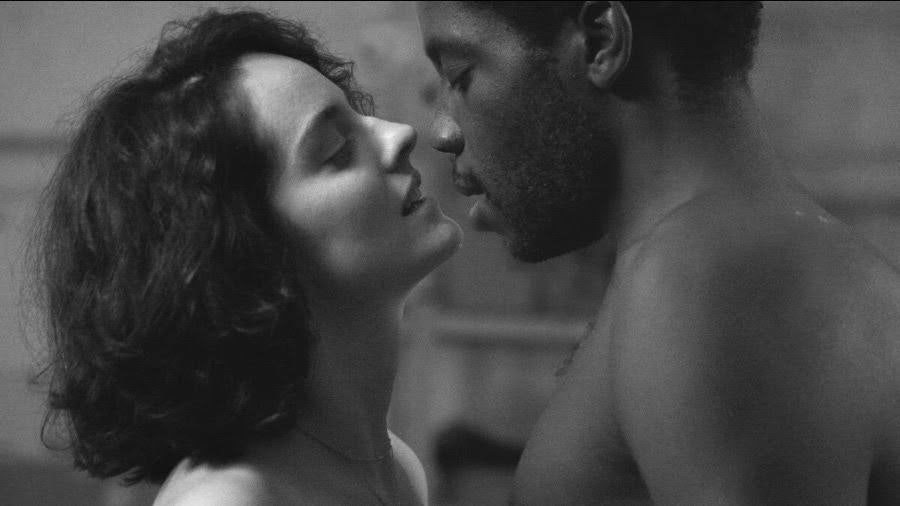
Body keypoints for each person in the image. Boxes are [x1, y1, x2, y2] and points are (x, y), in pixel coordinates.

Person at [418, 1, 900, 504]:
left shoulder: (709, 276)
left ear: (601, 42)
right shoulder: (733, 251)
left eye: (459, 75)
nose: (442, 132)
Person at [33, 9, 461, 505]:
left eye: (358, 112)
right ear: (244, 251)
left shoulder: (396, 466)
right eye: (337, 149)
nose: (399, 133)